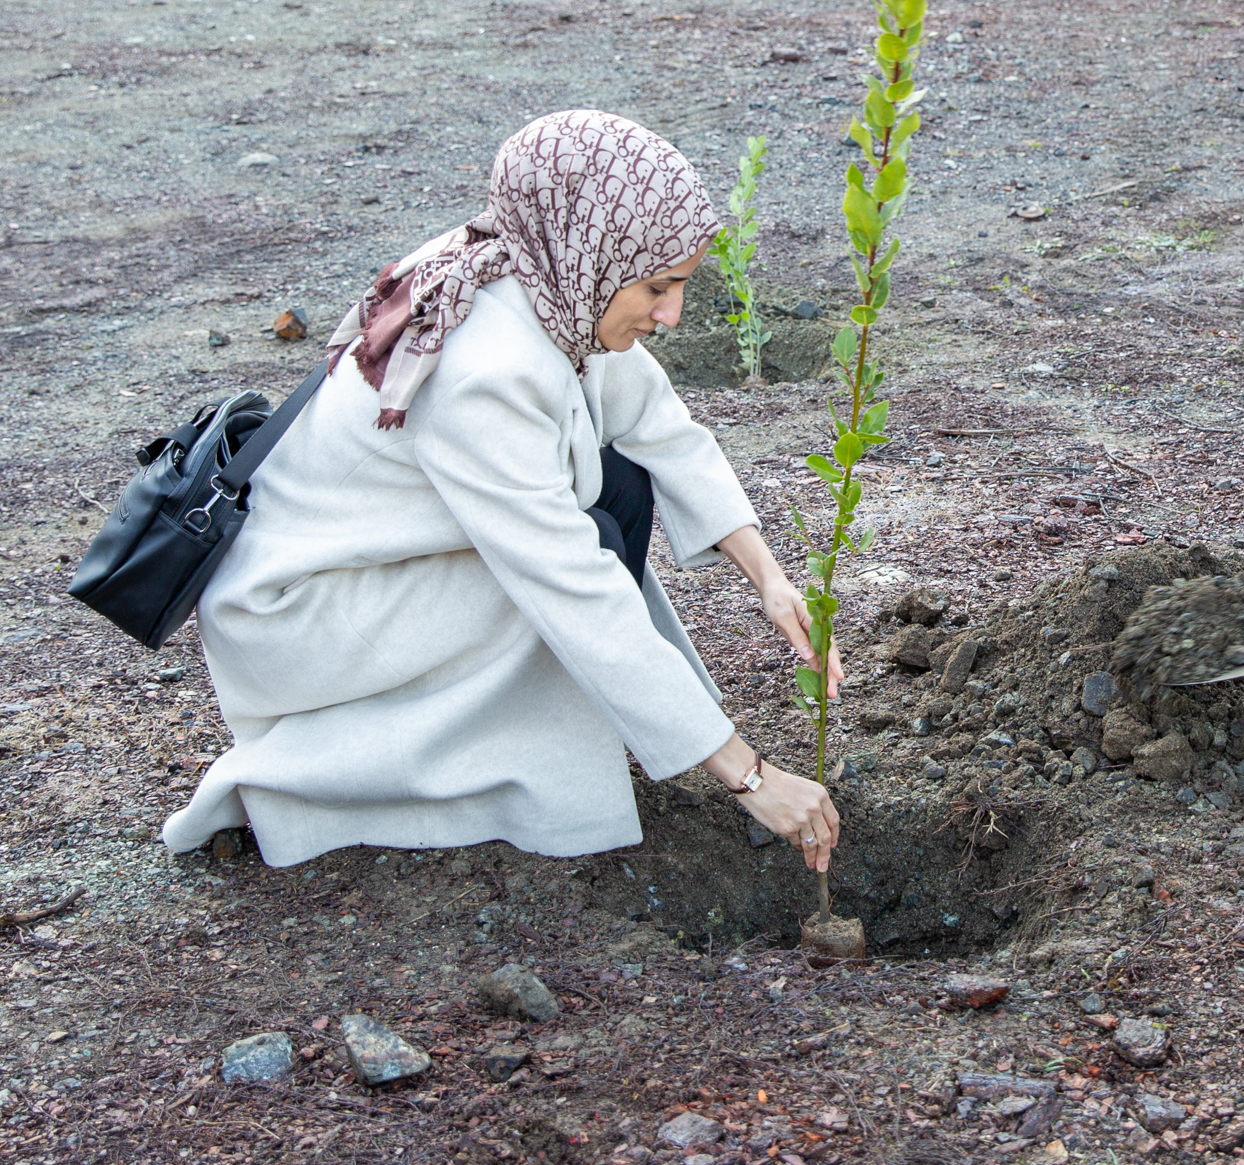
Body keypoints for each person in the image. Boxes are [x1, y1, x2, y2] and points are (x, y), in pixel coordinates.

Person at [160, 109, 845, 872]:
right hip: (306, 613)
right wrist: (750, 777)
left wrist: (771, 579)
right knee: (570, 572)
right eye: (657, 286)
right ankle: (408, 771)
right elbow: (568, 585)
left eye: (680, 283)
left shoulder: (549, 273)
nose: (673, 314)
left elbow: (654, 418)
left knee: (616, 490)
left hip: (367, 569)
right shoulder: (481, 367)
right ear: (597, 252)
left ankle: (554, 732)